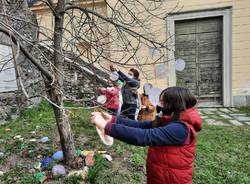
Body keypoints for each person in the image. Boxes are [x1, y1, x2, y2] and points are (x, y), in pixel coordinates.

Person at [90, 87, 202, 184]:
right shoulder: (169, 121)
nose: (160, 105)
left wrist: (106, 127)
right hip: (161, 177)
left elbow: (144, 136)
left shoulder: (181, 129)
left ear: (175, 104)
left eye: (163, 102)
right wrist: (113, 119)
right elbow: (141, 126)